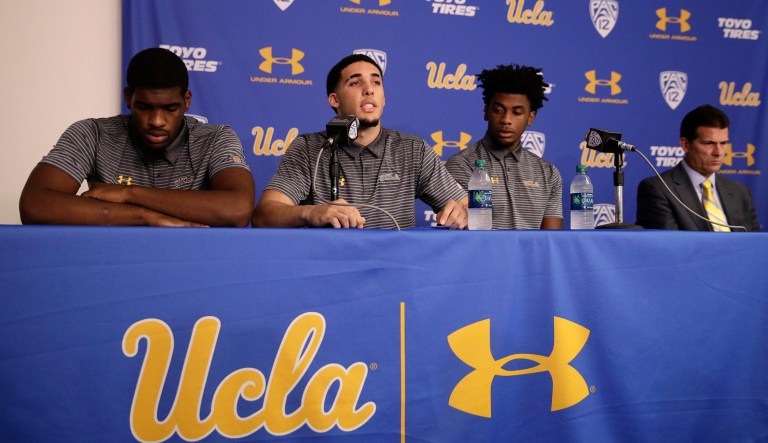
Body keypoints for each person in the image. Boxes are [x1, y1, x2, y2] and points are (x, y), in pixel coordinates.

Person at [19, 47, 255, 227]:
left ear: (187, 101)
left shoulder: (215, 138)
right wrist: (143, 216)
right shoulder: (92, 133)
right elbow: (34, 205)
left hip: (192, 264)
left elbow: (238, 209)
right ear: (128, 98)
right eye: (144, 107)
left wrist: (128, 193)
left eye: (170, 109)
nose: (156, 121)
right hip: (113, 263)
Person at [252, 53, 467, 229]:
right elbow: (264, 215)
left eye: (376, 82)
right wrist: (311, 212)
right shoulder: (310, 149)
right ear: (334, 99)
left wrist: (463, 213)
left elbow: (468, 206)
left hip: (396, 270)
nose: (369, 89)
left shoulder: (413, 149)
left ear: (383, 98)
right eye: (355, 82)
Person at [445, 64, 562, 230]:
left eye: (517, 112)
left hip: (533, 257)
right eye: (499, 110)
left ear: (530, 117)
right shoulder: (461, 165)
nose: (506, 119)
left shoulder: (548, 173)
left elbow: (552, 240)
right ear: (486, 111)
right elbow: (458, 236)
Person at [636, 104, 760, 232]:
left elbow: (753, 245)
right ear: (685, 144)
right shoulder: (659, 189)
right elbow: (669, 246)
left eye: (723, 143)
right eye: (709, 143)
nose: (718, 152)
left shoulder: (740, 193)